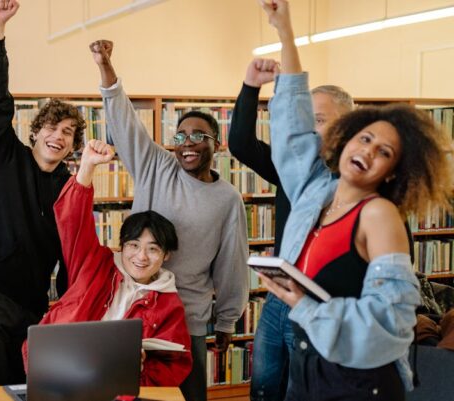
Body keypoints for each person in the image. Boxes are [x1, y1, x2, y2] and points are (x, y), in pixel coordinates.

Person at [257, 0, 454, 399]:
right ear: (345, 140)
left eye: (385, 152)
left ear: (395, 173)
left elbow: (394, 323)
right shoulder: (316, 190)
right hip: (306, 365)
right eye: (365, 138)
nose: (368, 151)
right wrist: (285, 33)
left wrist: (307, 307)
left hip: (356, 382)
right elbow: (293, 127)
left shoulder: (379, 214)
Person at [90, 40, 249, 401]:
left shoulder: (227, 199)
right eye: (180, 136)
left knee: (188, 397)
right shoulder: (156, 166)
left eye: (198, 136)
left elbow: (231, 262)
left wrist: (226, 320)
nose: (187, 143)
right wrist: (106, 67)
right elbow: (124, 121)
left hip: (187, 317)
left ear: (216, 144)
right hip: (137, 308)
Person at [0, 0, 87, 383]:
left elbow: (72, 253)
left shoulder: (70, 187)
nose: (58, 136)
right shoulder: (7, 155)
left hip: (32, 306)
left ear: (73, 144)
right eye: (52, 127)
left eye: (67, 132)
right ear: (36, 131)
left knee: (22, 387)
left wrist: (66, 309)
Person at [227, 59, 353, 401]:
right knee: (264, 387)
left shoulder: (361, 184)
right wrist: (252, 85)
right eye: (306, 120)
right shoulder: (292, 172)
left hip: (320, 305)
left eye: (322, 120)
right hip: (278, 299)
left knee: (302, 391)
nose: (311, 130)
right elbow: (240, 144)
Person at [22, 139, 192, 385]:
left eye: (153, 249)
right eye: (133, 246)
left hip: (116, 387)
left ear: (166, 255)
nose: (141, 257)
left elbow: (175, 365)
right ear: (121, 246)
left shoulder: (169, 303)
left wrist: (139, 372)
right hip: (58, 372)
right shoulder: (94, 263)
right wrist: (88, 166)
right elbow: (73, 221)